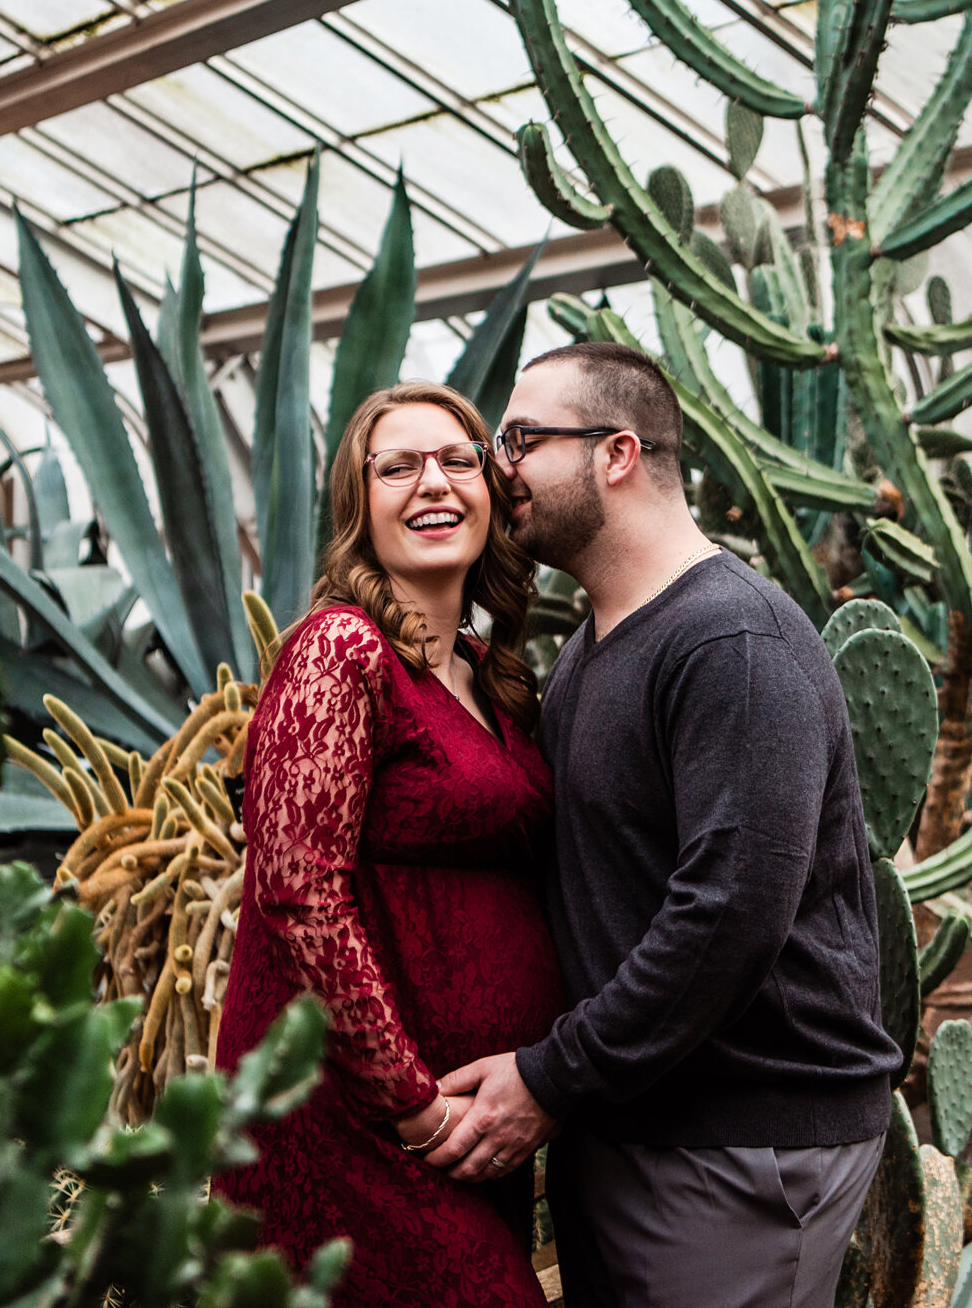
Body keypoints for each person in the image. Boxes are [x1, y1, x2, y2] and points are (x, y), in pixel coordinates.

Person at [426, 342, 899, 1307]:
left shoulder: (730, 641)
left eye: (521, 438)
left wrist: (551, 1078)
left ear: (617, 454)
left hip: (740, 1141)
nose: (496, 465)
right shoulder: (596, 651)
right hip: (634, 1120)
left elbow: (726, 916)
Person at [213, 382, 561, 1307]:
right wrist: (408, 1100)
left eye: (457, 460)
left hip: (469, 1130)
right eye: (397, 466)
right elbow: (296, 890)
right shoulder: (340, 651)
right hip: (355, 1126)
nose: (432, 483)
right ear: (358, 508)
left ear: (492, 486)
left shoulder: (491, 672)